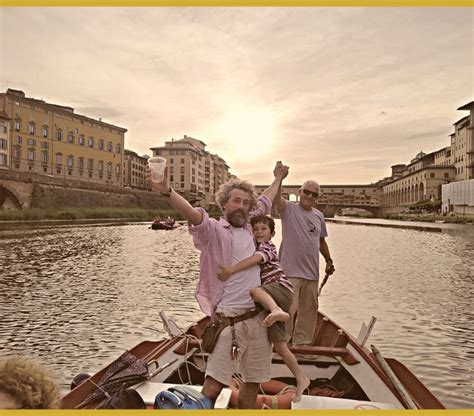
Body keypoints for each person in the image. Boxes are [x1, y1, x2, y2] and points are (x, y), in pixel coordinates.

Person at [147, 161, 289, 409]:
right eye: (236, 201)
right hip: (229, 321)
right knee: (212, 388)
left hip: (258, 320)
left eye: (246, 203)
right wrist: (167, 192)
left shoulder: (253, 228)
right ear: (224, 204)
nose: (242, 206)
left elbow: (266, 198)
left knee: (252, 384)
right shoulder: (214, 230)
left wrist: (278, 178)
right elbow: (193, 214)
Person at [217, 214, 310, 402]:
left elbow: (254, 260)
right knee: (280, 346)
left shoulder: (267, 248)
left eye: (264, 229)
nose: (259, 232)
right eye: (256, 229)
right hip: (272, 300)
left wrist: (231, 270)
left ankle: (276, 310)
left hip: (280, 289)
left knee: (254, 291)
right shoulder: (250, 245)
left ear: (272, 234)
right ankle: (302, 378)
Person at [275, 180, 335, 346]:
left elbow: (321, 241)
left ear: (317, 198)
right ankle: (282, 344)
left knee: (309, 311)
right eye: (306, 192)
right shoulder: (288, 208)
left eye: (314, 194)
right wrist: (279, 178)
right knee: (288, 309)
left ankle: (303, 344)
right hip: (290, 272)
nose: (309, 196)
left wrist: (329, 260)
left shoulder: (318, 216)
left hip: (312, 273)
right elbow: (276, 198)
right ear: (299, 192)